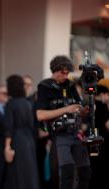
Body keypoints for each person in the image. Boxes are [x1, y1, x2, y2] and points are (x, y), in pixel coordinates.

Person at [36, 55, 91, 189]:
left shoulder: (71, 85)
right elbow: (40, 115)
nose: (66, 76)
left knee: (85, 170)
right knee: (67, 172)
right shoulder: (44, 86)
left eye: (68, 73)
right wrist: (66, 109)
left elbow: (78, 108)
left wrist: (85, 110)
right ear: (54, 70)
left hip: (76, 132)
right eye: (63, 73)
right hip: (59, 135)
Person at [3, 75, 40, 189]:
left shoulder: (10, 104)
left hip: (17, 140)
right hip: (29, 140)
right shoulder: (28, 103)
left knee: (17, 172)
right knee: (29, 171)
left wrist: (7, 147)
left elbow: (9, 128)